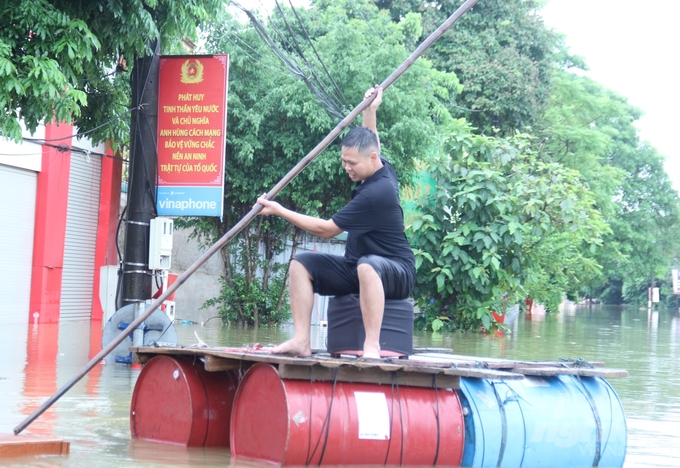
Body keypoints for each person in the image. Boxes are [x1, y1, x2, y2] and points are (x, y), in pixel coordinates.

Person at [256, 86, 415, 358]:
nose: (347, 168)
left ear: (372, 159)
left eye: (352, 163)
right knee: (300, 264)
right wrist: (370, 110)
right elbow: (371, 139)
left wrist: (280, 211)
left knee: (367, 265)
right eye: (344, 162)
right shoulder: (379, 166)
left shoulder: (379, 192)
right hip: (359, 267)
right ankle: (302, 341)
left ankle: (372, 346)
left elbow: (327, 230)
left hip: (396, 271)